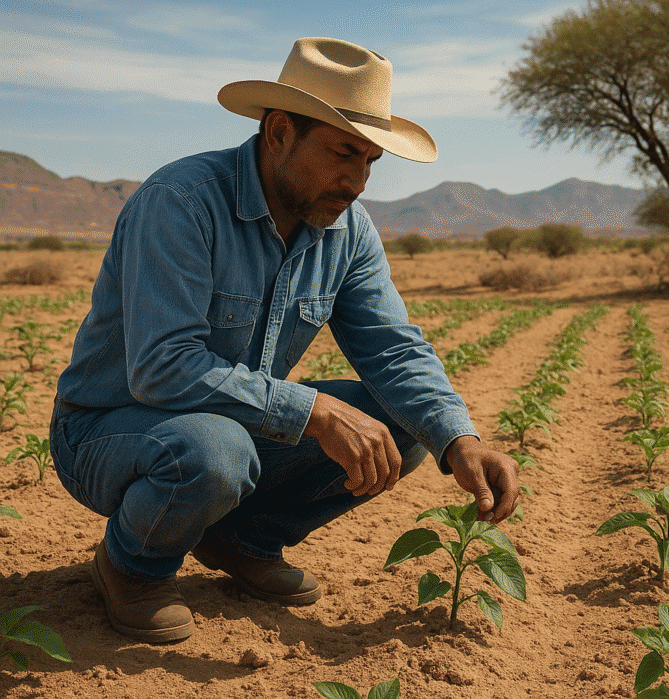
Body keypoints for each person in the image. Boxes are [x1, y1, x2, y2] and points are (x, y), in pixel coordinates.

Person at [49, 37, 522, 644]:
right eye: (343, 153)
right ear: (278, 133)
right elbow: (162, 368)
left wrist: (461, 442)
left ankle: (242, 541)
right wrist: (316, 411)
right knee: (215, 450)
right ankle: (132, 567)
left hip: (229, 427)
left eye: (372, 161)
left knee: (398, 423)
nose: (357, 180)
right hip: (108, 429)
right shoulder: (182, 202)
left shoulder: (345, 229)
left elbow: (394, 348)